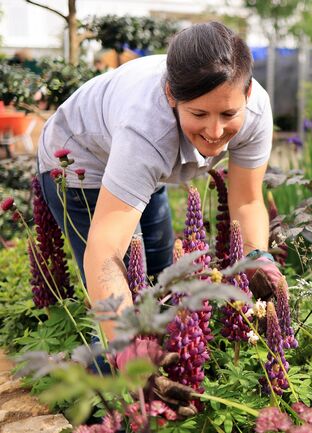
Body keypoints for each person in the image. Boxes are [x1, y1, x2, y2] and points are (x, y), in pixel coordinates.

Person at [36, 21, 283, 344]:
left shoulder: (256, 111)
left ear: (247, 92)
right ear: (171, 95)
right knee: (127, 301)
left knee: (161, 283)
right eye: (198, 114)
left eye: (227, 114)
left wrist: (256, 257)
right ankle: (109, 377)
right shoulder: (145, 129)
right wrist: (128, 348)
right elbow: (104, 252)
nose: (215, 131)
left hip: (139, 166)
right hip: (79, 163)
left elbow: (248, 200)